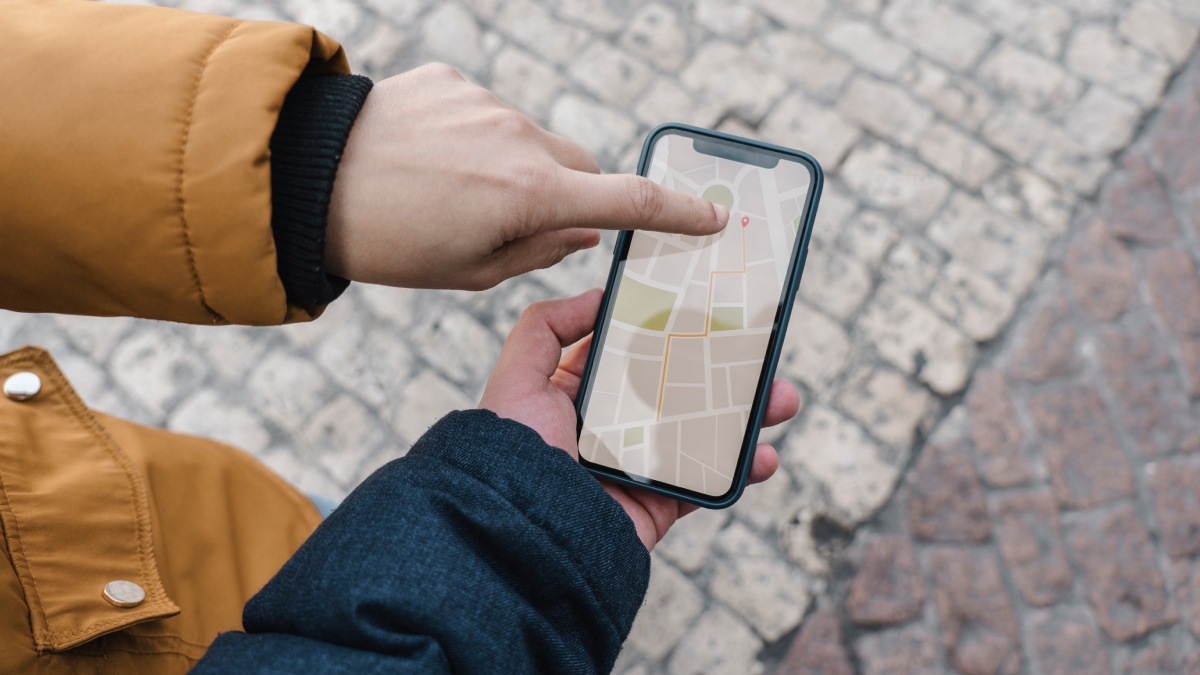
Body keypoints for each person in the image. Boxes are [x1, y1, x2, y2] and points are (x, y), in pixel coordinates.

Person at [0, 1, 799, 673]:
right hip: (350, 575)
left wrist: (301, 163)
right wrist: (515, 553)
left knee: (292, 526)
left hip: (200, 530)